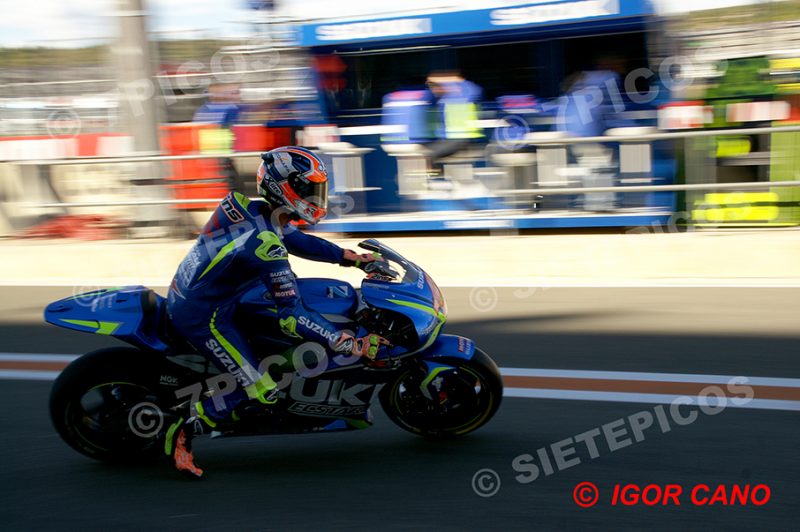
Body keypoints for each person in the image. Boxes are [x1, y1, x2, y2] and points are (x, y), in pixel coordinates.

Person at [162, 146, 389, 479]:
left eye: (318, 189)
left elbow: (294, 239)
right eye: (310, 189)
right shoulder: (265, 245)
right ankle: (181, 433)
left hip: (220, 289)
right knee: (259, 385)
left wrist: (349, 257)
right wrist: (347, 341)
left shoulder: (247, 208)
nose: (317, 197)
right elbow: (292, 315)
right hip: (203, 314)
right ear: (286, 188)